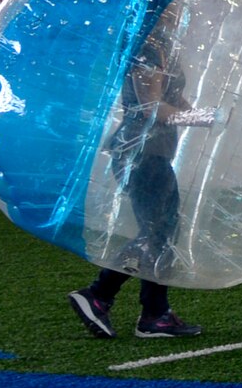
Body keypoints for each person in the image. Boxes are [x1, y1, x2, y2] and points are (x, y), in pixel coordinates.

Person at [67, 22, 205, 340]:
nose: (182, 9)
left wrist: (204, 115)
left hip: (153, 152)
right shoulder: (147, 47)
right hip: (141, 153)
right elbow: (151, 107)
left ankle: (153, 312)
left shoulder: (163, 45)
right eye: (175, 3)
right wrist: (199, 118)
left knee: (161, 231)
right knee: (158, 232)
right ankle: (100, 295)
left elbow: (174, 96)